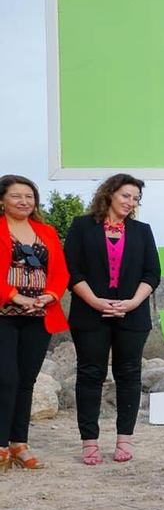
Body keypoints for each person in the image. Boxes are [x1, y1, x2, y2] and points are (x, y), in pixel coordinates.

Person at [65, 174, 160, 465]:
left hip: (132, 315)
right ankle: (89, 443)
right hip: (89, 313)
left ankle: (124, 440)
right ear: (109, 194)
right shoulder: (82, 226)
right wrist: (95, 301)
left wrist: (132, 303)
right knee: (90, 375)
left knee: (129, 375)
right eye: (125, 196)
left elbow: (152, 274)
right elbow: (71, 271)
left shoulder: (142, 231)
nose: (131, 202)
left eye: (136, 199)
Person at [0, 175, 69, 470]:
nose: (24, 201)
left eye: (29, 196)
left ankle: (19, 445)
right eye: (16, 196)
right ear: (2, 200)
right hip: (4, 315)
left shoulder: (46, 232)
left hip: (39, 316)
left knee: (26, 381)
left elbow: (61, 272)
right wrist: (15, 296)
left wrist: (50, 295)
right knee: (6, 378)